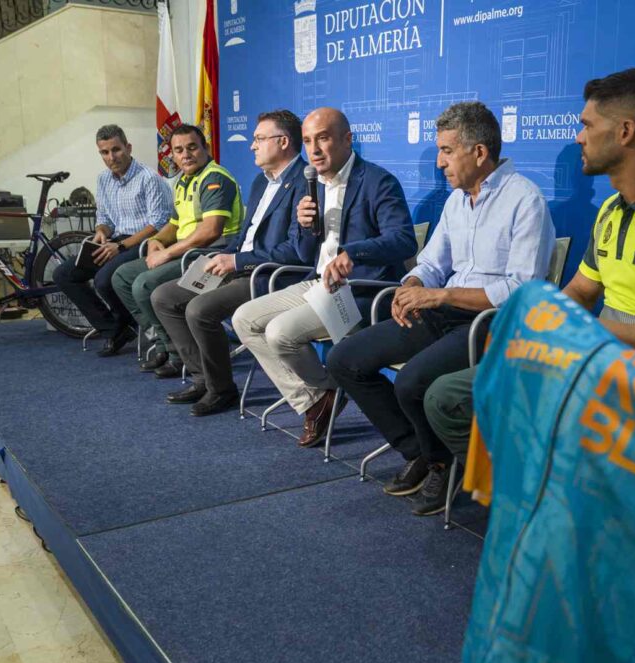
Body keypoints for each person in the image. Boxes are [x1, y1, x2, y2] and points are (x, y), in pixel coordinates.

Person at [424, 68, 635, 490]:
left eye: (588, 125)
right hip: (598, 357)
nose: (578, 137)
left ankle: (552, 500)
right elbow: (581, 291)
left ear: (625, 132)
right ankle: (530, 495)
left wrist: (586, 334)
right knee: (448, 396)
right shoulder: (612, 209)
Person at [326, 101, 556, 516]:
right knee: (346, 359)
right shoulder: (456, 202)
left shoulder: (525, 200)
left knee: (411, 383)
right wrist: (412, 285)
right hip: (443, 313)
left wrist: (441, 295)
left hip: (492, 323)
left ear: (479, 153)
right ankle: (423, 452)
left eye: (447, 151)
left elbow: (522, 290)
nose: (439, 162)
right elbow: (432, 264)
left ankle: (438, 464)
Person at [231, 108, 416, 440]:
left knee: (279, 333)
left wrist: (354, 253)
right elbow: (304, 255)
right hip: (317, 282)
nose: (314, 150)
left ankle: (328, 393)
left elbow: (403, 240)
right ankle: (317, 398)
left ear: (347, 139)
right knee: (244, 318)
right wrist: (304, 229)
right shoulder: (310, 183)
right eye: (307, 141)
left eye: (323, 139)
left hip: (361, 290)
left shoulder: (376, 181)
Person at [150, 110, 315, 416]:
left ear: (282, 142)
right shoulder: (259, 182)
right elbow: (244, 234)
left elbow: (294, 252)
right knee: (164, 297)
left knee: (199, 310)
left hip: (268, 276)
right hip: (239, 265)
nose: (252, 146)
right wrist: (224, 255)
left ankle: (221, 390)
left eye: (258, 139)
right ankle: (203, 377)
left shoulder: (304, 184)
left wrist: (237, 259)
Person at [112, 124, 243, 378]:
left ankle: (178, 355)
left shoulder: (215, 178)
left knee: (144, 285)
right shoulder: (183, 181)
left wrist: (167, 253)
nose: (185, 155)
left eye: (192, 147)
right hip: (188, 252)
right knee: (122, 277)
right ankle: (163, 344)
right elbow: (174, 224)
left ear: (205, 148)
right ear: (171, 154)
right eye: (178, 150)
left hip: (213, 255)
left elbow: (210, 231)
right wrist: (156, 240)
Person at [51, 125, 171, 356]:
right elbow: (104, 218)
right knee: (64, 275)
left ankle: (125, 327)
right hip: (115, 241)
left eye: (116, 150)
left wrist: (121, 246)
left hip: (145, 242)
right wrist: (101, 231)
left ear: (128, 147)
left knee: (104, 279)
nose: (111, 157)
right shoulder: (104, 179)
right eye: (104, 152)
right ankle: (114, 329)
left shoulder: (148, 178)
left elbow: (159, 224)